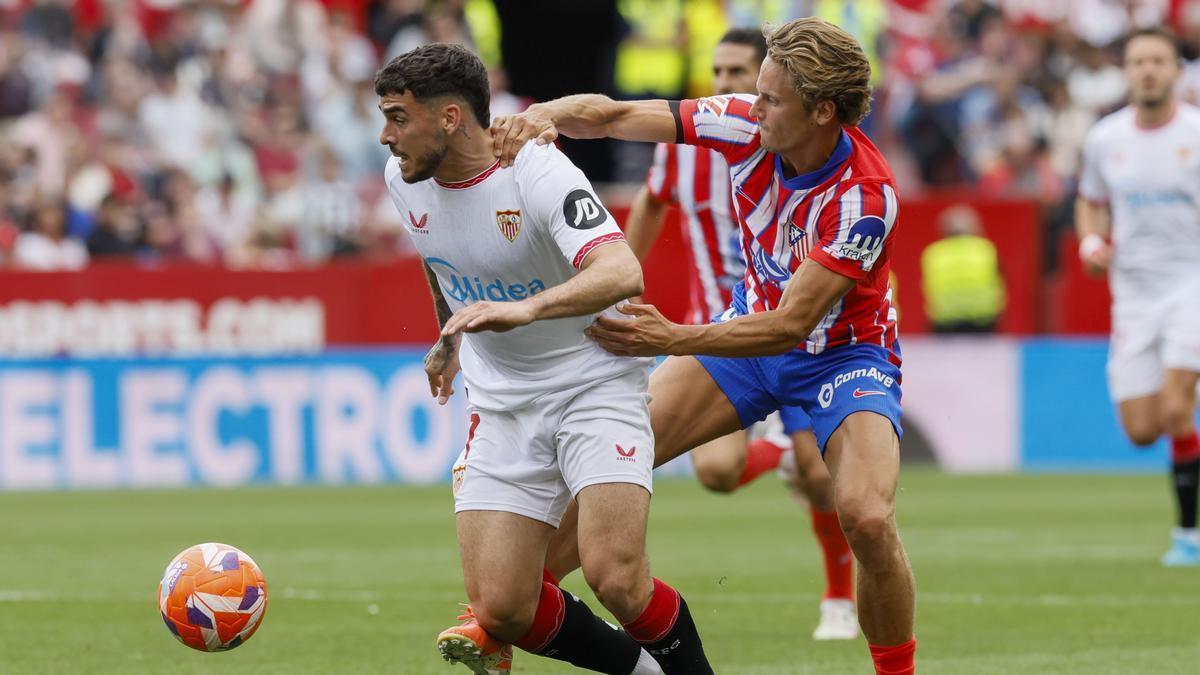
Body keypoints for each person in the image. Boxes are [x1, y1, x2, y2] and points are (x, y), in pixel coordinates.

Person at [493, 17, 916, 675]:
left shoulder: (866, 197)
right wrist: (541, 115)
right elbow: (610, 115)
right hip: (745, 333)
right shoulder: (742, 124)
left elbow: (791, 324)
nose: (755, 106)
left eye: (772, 98)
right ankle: (511, 605)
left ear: (823, 110)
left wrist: (672, 337)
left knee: (864, 516)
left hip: (844, 354)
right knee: (608, 465)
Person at [377, 44, 714, 675]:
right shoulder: (404, 180)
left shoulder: (536, 171)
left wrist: (530, 309)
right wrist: (448, 335)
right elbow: (436, 250)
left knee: (618, 578)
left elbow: (620, 270)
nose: (385, 135)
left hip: (594, 384)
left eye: (397, 116)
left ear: (450, 117)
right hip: (501, 404)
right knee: (503, 609)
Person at [624, 26, 856, 640]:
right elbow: (651, 202)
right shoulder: (682, 148)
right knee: (717, 473)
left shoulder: (794, 148)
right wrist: (621, 274)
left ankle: (838, 598)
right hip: (720, 331)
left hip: (795, 334)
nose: (724, 84)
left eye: (737, 74)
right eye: (718, 72)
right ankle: (780, 452)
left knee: (818, 474)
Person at [1076, 25, 1200, 567]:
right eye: (1137, 62)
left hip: (1190, 283)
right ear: (1126, 73)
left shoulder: (1196, 133)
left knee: (1176, 407)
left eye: (1157, 60)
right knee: (1143, 430)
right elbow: (1091, 201)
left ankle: (1188, 537)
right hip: (1133, 293)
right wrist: (1090, 240)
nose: (1147, 69)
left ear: (1176, 70)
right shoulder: (1106, 139)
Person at [919, 203, 1005, 333]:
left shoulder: (933, 253)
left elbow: (927, 286)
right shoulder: (986, 250)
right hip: (983, 323)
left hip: (944, 324)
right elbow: (1000, 282)